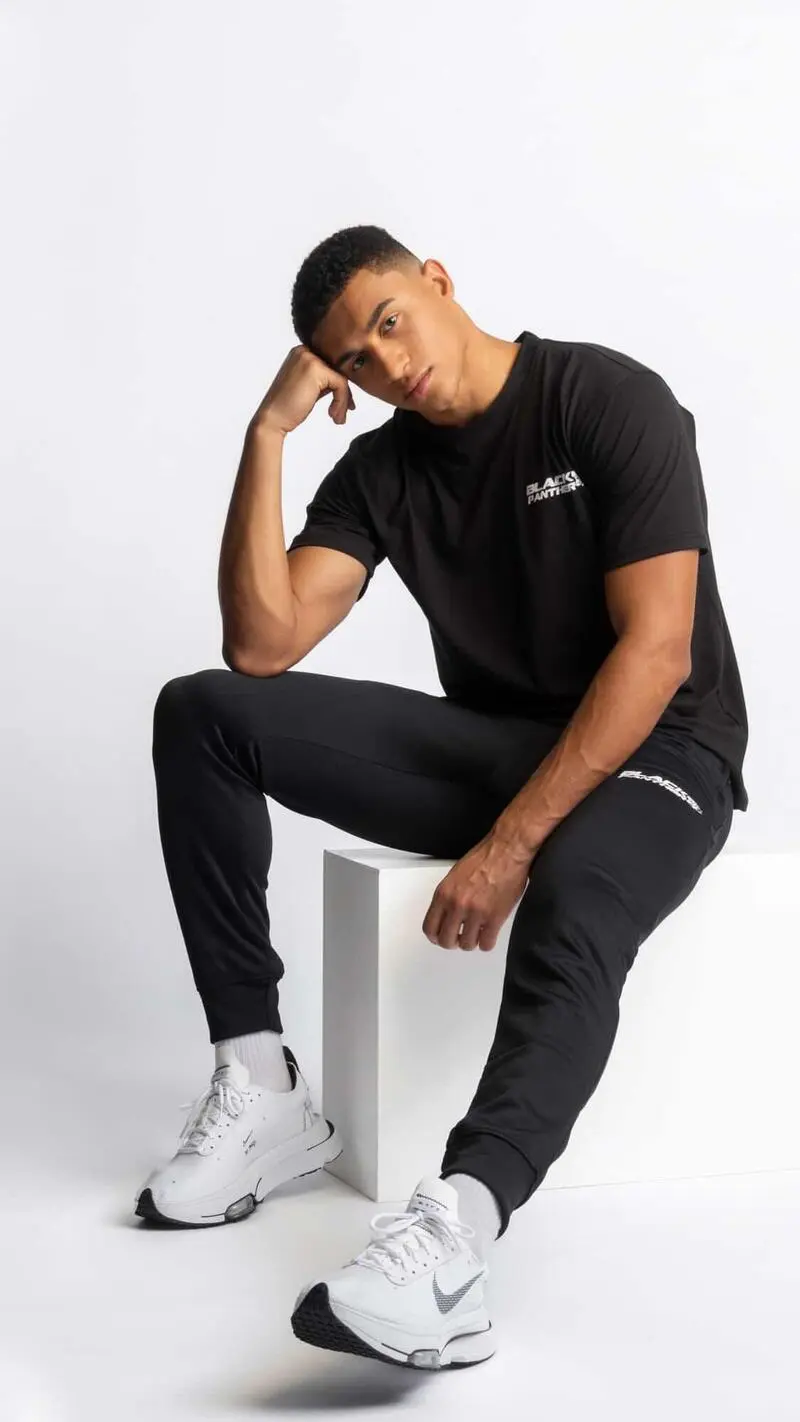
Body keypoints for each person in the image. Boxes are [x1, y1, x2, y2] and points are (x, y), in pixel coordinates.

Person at [136, 225, 749, 1371]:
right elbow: (261, 644)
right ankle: (260, 1082)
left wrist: (509, 848)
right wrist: (267, 433)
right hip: (504, 749)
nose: (383, 362)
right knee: (202, 712)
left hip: (661, 747)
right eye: (351, 361)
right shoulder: (382, 472)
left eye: (386, 321)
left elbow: (657, 651)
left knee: (574, 892)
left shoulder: (601, 398)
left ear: (435, 280)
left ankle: (456, 1237)